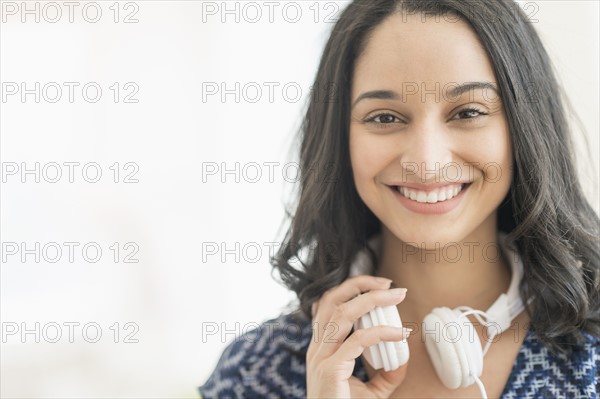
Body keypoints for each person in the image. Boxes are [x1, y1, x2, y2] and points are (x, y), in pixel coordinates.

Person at [198, 0, 599, 398]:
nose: (425, 162)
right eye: (385, 118)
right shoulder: (252, 373)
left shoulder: (590, 361)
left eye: (468, 112)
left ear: (523, 129)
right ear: (341, 140)